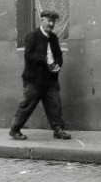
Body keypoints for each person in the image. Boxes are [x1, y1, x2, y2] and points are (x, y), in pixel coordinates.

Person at [9, 10, 71, 140]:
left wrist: (58, 65)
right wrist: (45, 60)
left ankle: (58, 130)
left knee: (55, 104)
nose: (52, 23)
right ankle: (14, 130)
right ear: (41, 20)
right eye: (49, 20)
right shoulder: (33, 36)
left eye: (53, 21)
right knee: (27, 105)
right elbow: (29, 56)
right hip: (34, 80)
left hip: (51, 80)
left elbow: (58, 55)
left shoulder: (53, 38)